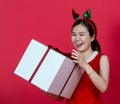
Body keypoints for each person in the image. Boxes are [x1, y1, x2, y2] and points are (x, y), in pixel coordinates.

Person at [65, 9, 110, 104]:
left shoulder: (102, 59)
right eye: (74, 34)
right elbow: (60, 96)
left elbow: (103, 87)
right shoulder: (69, 59)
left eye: (81, 34)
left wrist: (84, 65)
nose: (77, 38)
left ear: (92, 37)